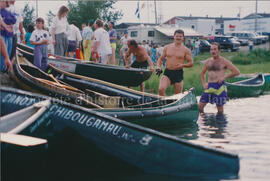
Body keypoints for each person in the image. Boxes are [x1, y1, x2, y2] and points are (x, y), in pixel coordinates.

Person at [199, 42, 240, 115]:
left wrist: (224, 77)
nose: (213, 51)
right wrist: (204, 84)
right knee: (200, 107)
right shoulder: (208, 61)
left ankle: (220, 124)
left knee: (220, 110)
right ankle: (204, 123)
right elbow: (202, 73)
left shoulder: (224, 61)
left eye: (215, 49)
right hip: (209, 87)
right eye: (211, 50)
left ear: (219, 51)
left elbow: (236, 72)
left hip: (219, 87)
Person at [156, 29, 193, 96]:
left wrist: (182, 65)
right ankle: (165, 103)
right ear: (174, 36)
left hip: (178, 73)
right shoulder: (167, 47)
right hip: (168, 72)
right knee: (161, 89)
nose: (178, 38)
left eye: (180, 36)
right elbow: (161, 59)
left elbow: (191, 63)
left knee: (177, 95)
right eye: (177, 36)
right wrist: (158, 67)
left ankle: (174, 104)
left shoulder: (185, 50)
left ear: (183, 38)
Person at [0, 0, 16, 72]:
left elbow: (14, 20)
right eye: (2, 1)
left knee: (8, 51)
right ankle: (2, 68)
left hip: (9, 34)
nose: (3, 3)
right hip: (2, 33)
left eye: (4, 2)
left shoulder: (8, 12)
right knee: (3, 51)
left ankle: (6, 67)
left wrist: (6, 24)